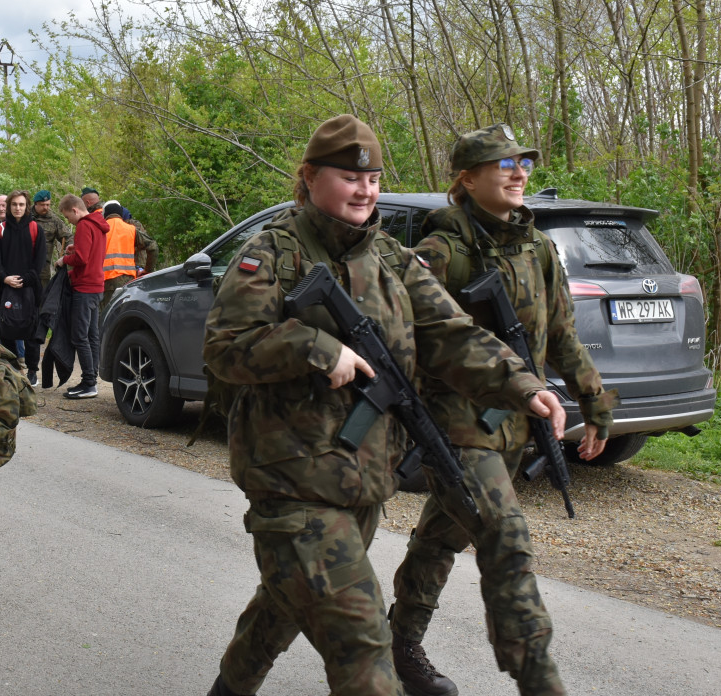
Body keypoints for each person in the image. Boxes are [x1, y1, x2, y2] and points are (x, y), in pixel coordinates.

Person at [201, 114, 566, 696]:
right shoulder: (271, 252)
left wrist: (523, 385)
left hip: (362, 482)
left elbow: (451, 333)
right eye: (349, 177)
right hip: (290, 483)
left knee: (283, 606)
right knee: (364, 646)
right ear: (310, 177)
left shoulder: (393, 259)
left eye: (371, 178)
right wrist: (317, 347)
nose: (365, 190)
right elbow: (225, 349)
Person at [386, 123, 617, 696]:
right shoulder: (442, 251)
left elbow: (561, 333)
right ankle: (540, 681)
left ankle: (398, 644)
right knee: (506, 538)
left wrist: (595, 401)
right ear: (467, 179)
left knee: (441, 538)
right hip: (458, 427)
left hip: (516, 423)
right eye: (504, 164)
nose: (519, 174)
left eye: (525, 165)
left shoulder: (537, 246)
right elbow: (412, 339)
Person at [0, 189, 47, 386]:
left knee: (30, 330)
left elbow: (39, 262)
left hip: (29, 286)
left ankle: (32, 370)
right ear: (9, 206)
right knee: (6, 329)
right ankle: (11, 368)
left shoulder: (35, 229)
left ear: (27, 206)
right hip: (7, 286)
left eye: (21, 204)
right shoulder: (1, 230)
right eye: (14, 204)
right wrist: (5, 279)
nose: (17, 208)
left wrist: (23, 280)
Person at [56, 194, 108, 399]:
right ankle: (91, 379)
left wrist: (64, 260)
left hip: (85, 289)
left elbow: (82, 258)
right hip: (97, 285)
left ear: (75, 210)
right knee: (92, 335)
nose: (69, 221)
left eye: (68, 217)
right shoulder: (99, 224)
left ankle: (88, 383)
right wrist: (75, 248)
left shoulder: (84, 226)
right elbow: (91, 253)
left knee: (79, 335)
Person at [99, 201, 158, 312]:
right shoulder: (131, 229)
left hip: (105, 282)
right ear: (121, 214)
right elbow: (153, 247)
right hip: (127, 281)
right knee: (125, 314)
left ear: (105, 214)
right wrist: (147, 270)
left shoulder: (99, 231)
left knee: (107, 316)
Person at [33, 190, 71, 287]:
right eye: (42, 205)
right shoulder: (25, 217)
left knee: (41, 299)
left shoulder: (54, 220)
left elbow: (68, 237)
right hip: (23, 266)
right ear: (35, 204)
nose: (45, 207)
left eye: (48, 204)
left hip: (43, 269)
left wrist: (67, 255)